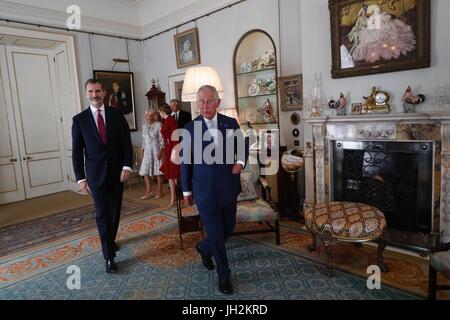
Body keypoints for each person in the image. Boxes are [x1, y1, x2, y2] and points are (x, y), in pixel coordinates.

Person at [181, 85, 248, 295]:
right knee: (217, 233)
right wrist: (186, 191)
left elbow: (243, 145)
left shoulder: (230, 123)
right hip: (204, 190)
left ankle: (204, 248)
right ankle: (224, 275)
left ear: (218, 102)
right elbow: (186, 162)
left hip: (228, 186)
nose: (204, 105)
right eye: (201, 101)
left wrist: (239, 162)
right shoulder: (190, 128)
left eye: (209, 101)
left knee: (228, 228)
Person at [72, 79, 132, 274]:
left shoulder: (117, 115)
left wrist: (127, 167)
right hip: (95, 175)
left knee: (114, 210)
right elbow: (76, 152)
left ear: (104, 93)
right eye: (90, 91)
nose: (94, 95)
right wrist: (81, 178)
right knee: (101, 213)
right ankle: (109, 257)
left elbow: (126, 144)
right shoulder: (79, 120)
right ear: (86, 93)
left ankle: (111, 240)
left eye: (97, 91)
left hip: (117, 173)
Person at [158, 102, 180, 207]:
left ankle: (175, 197)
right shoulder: (166, 120)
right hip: (168, 149)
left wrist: (175, 152)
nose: (159, 114)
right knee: (171, 175)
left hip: (172, 149)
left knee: (173, 174)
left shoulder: (171, 120)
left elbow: (175, 136)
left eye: (159, 112)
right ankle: (173, 197)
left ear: (162, 111)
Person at [139, 109, 164, 200]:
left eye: (151, 116)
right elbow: (143, 140)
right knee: (144, 171)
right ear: (145, 117)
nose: (149, 118)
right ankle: (149, 190)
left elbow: (162, 139)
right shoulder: (144, 126)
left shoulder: (158, 125)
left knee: (158, 171)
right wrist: (142, 150)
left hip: (156, 150)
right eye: (147, 116)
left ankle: (159, 191)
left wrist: (161, 151)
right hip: (147, 151)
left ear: (154, 116)